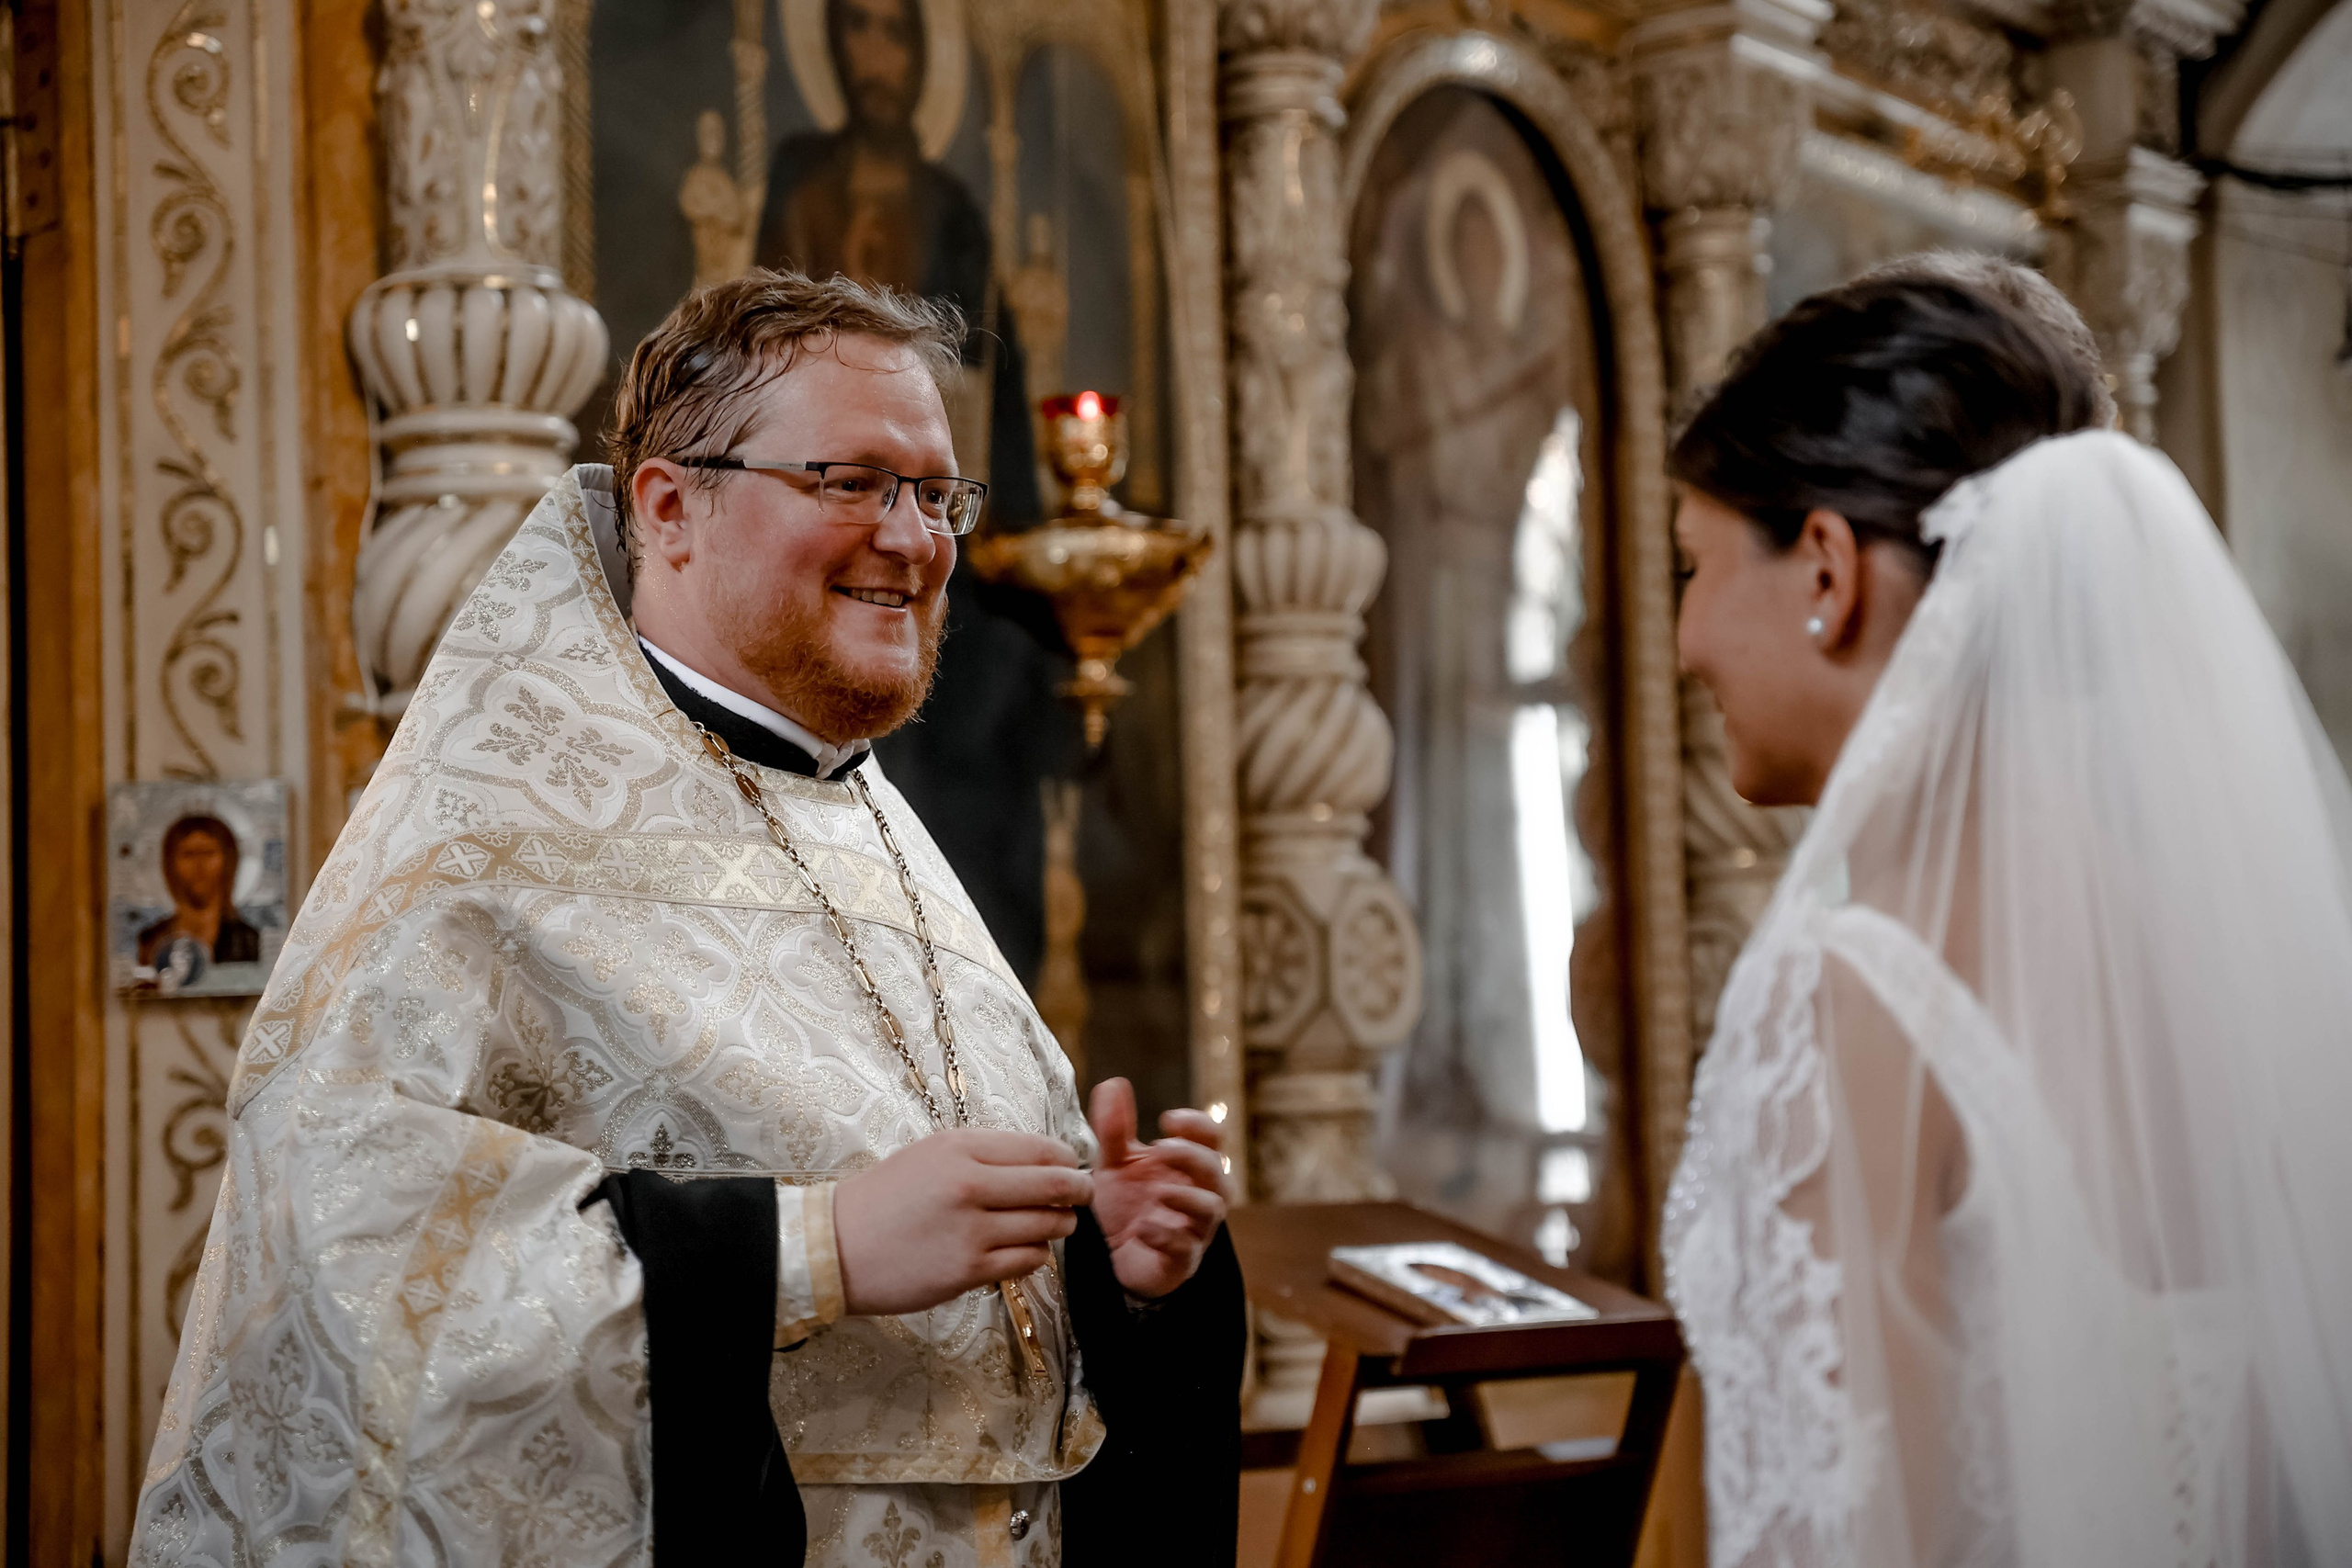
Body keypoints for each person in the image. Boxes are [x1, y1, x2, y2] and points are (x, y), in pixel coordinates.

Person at [130, 270, 1245, 1565]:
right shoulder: (484, 841)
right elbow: (343, 1261)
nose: (919, 537)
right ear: (671, 505)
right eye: (853, 480)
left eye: (938, 492)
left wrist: (1108, 1268)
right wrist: (810, 1246)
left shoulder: (870, 819)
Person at [1662, 275, 2352, 1566]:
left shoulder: (1853, 989)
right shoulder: (2233, 967)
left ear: (1825, 567)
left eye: (1693, 566)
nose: (1686, 637)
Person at [136, 814, 261, 967]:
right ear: (171, 864)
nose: (199, 865)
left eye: (208, 853)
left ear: (228, 861)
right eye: (189, 854)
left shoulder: (248, 940)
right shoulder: (152, 940)